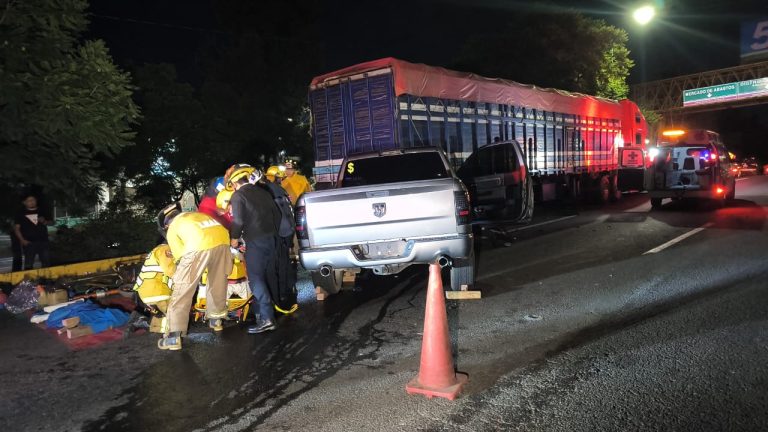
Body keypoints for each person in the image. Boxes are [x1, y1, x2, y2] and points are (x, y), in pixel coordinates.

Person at [158, 205, 233, 351]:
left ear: (167, 224)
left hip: (198, 246)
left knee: (182, 288)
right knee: (218, 283)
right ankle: (216, 320)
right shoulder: (197, 216)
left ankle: (173, 336)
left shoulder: (174, 227)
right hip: (223, 242)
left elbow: (180, 259)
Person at [228, 168, 281, 334]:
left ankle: (267, 319)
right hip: (271, 239)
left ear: (235, 183)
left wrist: (234, 239)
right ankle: (262, 312)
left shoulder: (238, 196)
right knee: (266, 275)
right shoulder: (263, 192)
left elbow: (238, 221)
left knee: (256, 279)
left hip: (255, 242)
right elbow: (277, 215)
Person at [257, 170, 298, 314]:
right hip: (286, 231)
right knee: (284, 263)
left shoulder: (267, 191)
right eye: (279, 178)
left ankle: (280, 295)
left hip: (279, 233)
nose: (281, 180)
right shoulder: (279, 190)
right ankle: (286, 290)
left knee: (277, 266)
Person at [13, 194, 51, 269]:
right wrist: (22, 240)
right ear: (24, 202)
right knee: (28, 264)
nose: (32, 202)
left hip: (43, 241)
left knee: (46, 263)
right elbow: (16, 228)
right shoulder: (20, 213)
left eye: (33, 200)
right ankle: (29, 280)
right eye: (29, 201)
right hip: (29, 242)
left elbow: (52, 222)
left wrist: (45, 221)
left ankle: (47, 279)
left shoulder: (42, 210)